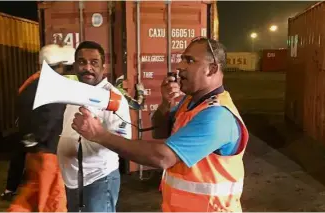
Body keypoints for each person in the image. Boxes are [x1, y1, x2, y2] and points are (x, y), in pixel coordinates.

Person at [70, 37, 249, 212]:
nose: (180, 66)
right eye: (182, 59)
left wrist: (99, 134)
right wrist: (166, 104)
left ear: (212, 69)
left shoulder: (217, 116)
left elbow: (162, 157)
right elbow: (160, 131)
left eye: (189, 60)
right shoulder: (191, 103)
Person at [57, 41, 132, 212]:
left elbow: (124, 142)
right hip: (72, 179)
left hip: (98, 179)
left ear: (103, 66)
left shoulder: (113, 98)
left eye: (94, 62)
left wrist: (97, 133)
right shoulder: (73, 92)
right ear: (75, 65)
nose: (87, 67)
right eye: (82, 62)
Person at [0, 44, 76, 201]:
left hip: (30, 148)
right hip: (48, 151)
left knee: (32, 193)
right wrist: (38, 138)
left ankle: (11, 191)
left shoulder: (29, 84)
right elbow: (51, 118)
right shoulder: (55, 87)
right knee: (50, 199)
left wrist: (29, 140)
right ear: (61, 66)